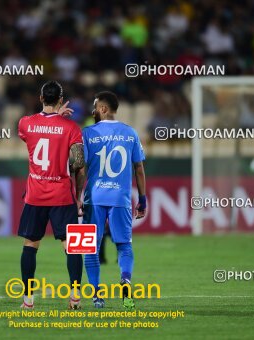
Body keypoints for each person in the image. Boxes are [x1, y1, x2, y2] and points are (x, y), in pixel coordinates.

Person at [17, 81, 85, 310]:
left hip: (35, 195)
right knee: (72, 247)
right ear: (61, 99)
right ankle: (75, 297)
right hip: (62, 195)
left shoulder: (25, 123)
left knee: (30, 245)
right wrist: (79, 195)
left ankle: (28, 300)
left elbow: (36, 134)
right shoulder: (71, 128)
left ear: (40, 97)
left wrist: (54, 116)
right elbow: (78, 163)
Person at [82, 91, 147, 309]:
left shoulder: (88, 133)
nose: (92, 111)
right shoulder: (130, 133)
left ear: (103, 109)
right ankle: (126, 280)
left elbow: (80, 168)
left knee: (90, 247)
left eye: (94, 106)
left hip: (94, 198)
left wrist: (75, 196)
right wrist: (143, 199)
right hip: (121, 197)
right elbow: (139, 168)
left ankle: (96, 296)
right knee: (124, 244)